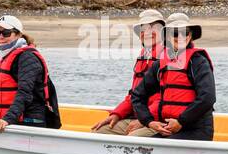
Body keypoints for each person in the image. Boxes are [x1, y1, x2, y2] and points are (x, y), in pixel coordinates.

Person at [128, 12, 216, 140]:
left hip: (197, 131)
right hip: (169, 129)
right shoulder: (160, 65)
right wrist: (149, 121)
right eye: (175, 33)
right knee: (137, 142)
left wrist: (181, 122)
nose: (180, 36)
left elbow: (207, 98)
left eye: (185, 32)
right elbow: (137, 95)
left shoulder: (198, 62)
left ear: (190, 35)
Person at [0, 15, 60, 131]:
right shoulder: (2, 55)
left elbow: (25, 93)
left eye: (6, 33)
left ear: (18, 34)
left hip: (28, 122)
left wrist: (7, 119)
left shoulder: (27, 58)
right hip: (9, 120)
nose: (0, 37)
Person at [92, 9, 166, 135]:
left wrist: (144, 120)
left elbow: (165, 98)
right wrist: (117, 114)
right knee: (99, 131)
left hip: (159, 119)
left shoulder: (169, 57)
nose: (147, 33)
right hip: (141, 116)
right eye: (144, 29)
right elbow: (134, 95)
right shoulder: (143, 57)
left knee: (132, 138)